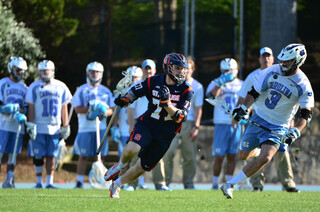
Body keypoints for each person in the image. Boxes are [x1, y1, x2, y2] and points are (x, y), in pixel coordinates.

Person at [221, 44, 314, 199]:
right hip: (259, 117)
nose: (283, 64)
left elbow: (306, 114)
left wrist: (295, 130)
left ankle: (230, 185)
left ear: (298, 61)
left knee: (266, 158)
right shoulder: (271, 71)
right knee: (243, 156)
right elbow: (254, 92)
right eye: (282, 60)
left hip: (279, 126)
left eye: (288, 61)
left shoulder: (303, 84)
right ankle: (257, 149)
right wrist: (244, 108)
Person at [104, 53, 193, 198]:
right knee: (132, 148)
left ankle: (117, 184)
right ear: (168, 67)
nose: (181, 72)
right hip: (149, 124)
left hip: (166, 133)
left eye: (183, 68)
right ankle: (119, 166)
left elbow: (181, 117)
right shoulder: (154, 81)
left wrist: (167, 104)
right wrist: (126, 99)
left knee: (142, 167)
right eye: (177, 68)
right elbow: (135, 91)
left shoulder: (186, 89)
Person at [233, 47, 300, 192]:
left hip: (279, 122)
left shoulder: (285, 74)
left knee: (282, 151)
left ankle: (288, 183)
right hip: (259, 119)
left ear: (273, 58)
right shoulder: (253, 76)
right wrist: (240, 114)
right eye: (263, 56)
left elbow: (290, 102)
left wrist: (292, 121)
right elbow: (245, 96)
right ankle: (257, 184)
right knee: (251, 154)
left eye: (269, 56)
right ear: (259, 59)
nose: (266, 59)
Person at [26, 60, 72, 189]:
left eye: (47, 70)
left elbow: (64, 107)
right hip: (39, 125)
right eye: (42, 71)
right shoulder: (34, 86)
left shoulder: (61, 86)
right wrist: (30, 124)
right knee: (38, 155)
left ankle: (49, 182)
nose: (45, 73)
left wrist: (66, 125)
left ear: (52, 71)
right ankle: (39, 182)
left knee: (52, 155)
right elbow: (31, 107)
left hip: (55, 127)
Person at [126, 59, 169, 191]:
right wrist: (131, 125)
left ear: (155, 70)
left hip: (157, 124)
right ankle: (131, 184)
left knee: (158, 155)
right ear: (142, 70)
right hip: (142, 124)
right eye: (146, 69)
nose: (148, 71)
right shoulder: (139, 85)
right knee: (135, 154)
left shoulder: (162, 85)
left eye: (150, 69)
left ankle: (160, 184)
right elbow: (130, 109)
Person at [72, 62, 114, 188]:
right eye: (92, 72)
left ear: (101, 74)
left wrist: (103, 111)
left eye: (97, 72)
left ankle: (100, 180)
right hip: (85, 128)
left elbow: (111, 110)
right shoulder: (81, 90)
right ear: (88, 72)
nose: (94, 74)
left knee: (100, 156)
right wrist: (91, 108)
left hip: (100, 127)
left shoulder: (105, 91)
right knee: (83, 155)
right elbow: (77, 109)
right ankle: (79, 181)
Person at [163, 56, 203, 189]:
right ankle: (166, 182)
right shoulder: (172, 82)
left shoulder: (197, 86)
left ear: (192, 70)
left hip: (188, 122)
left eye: (187, 69)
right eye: (180, 68)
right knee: (168, 152)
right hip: (172, 120)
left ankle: (189, 183)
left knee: (189, 155)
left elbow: (198, 108)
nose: (185, 71)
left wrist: (196, 126)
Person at [206, 58, 243, 190]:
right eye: (225, 71)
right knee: (219, 156)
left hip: (236, 124)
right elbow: (210, 97)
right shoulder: (216, 83)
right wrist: (220, 83)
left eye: (230, 70)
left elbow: (248, 104)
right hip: (221, 122)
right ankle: (215, 183)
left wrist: (244, 115)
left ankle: (229, 182)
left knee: (233, 155)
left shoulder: (242, 84)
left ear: (236, 70)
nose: (228, 73)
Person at [0, 57, 29, 188]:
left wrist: (18, 112)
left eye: (22, 71)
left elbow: (26, 108)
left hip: (17, 126)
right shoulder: (2, 83)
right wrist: (9, 110)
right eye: (18, 70)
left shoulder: (24, 88)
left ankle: (9, 180)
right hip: (3, 125)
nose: (20, 73)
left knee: (13, 156)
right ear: (11, 69)